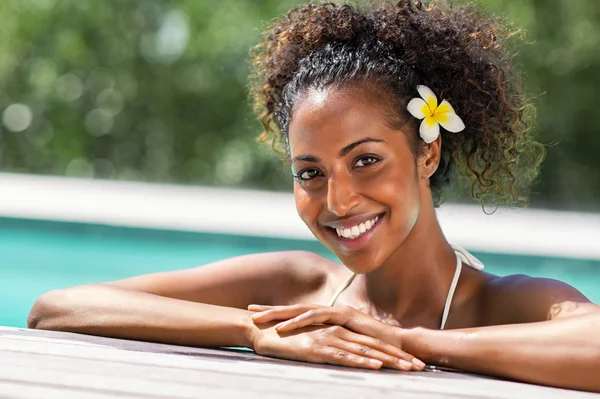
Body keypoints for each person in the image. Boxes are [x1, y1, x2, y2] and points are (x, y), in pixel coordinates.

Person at [28, 0, 600, 392]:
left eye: (366, 161)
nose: (339, 200)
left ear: (427, 154)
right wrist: (252, 333)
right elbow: (57, 308)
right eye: (310, 173)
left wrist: (411, 341)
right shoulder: (296, 290)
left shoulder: (502, 307)